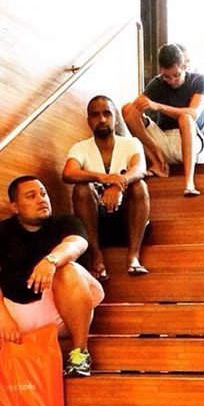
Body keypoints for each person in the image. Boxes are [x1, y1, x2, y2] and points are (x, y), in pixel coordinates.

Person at [0, 176, 104, 390]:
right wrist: (2, 316)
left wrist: (51, 260)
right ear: (14, 206)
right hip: (13, 311)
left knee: (66, 268)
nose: (41, 199)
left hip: (58, 310)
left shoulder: (66, 222)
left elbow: (76, 244)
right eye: (31, 196)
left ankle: (79, 353)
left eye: (43, 194)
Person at [63, 95, 150, 280]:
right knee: (81, 189)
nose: (102, 119)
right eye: (95, 115)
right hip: (96, 221)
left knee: (139, 186)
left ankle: (134, 256)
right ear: (89, 121)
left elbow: (140, 168)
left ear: (115, 118)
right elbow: (68, 173)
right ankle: (96, 256)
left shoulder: (131, 143)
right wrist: (102, 177)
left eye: (107, 114)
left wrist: (118, 185)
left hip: (128, 217)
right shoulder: (81, 147)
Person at [122, 44, 204, 196]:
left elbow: (193, 113)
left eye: (176, 75)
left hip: (190, 142)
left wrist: (157, 106)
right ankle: (156, 160)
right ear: (161, 71)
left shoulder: (198, 80)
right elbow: (132, 112)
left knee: (185, 118)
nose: (172, 80)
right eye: (167, 76)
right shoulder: (157, 83)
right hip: (164, 140)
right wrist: (154, 148)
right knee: (128, 110)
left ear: (184, 66)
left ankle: (189, 182)